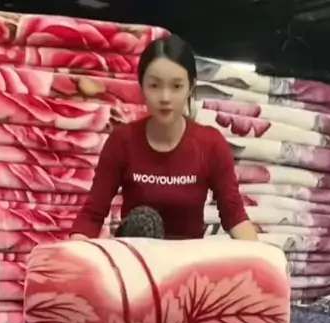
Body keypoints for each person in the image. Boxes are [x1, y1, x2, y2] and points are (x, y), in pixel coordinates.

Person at [70, 34, 258, 242]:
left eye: (176, 86)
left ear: (191, 88)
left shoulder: (211, 144)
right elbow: (92, 214)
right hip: (136, 256)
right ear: (142, 86)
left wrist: (262, 256)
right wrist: (72, 255)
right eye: (154, 86)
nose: (165, 98)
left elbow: (234, 215)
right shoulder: (122, 141)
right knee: (143, 220)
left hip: (188, 259)